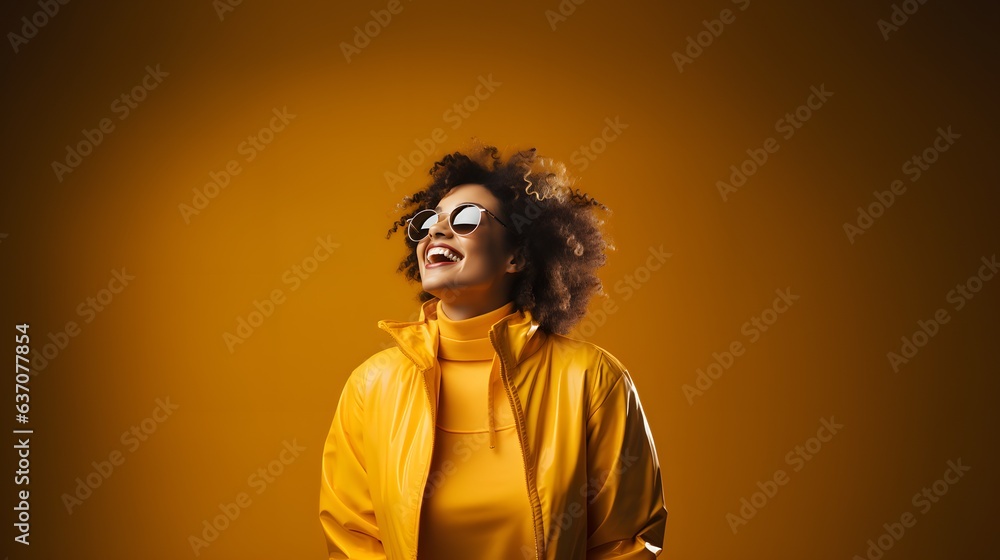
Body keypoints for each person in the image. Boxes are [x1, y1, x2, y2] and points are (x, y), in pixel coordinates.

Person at [319, 141, 667, 559]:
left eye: (466, 220)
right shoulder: (372, 385)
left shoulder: (591, 379)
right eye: (429, 221)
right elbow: (352, 535)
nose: (435, 231)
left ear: (516, 256)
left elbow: (625, 541)